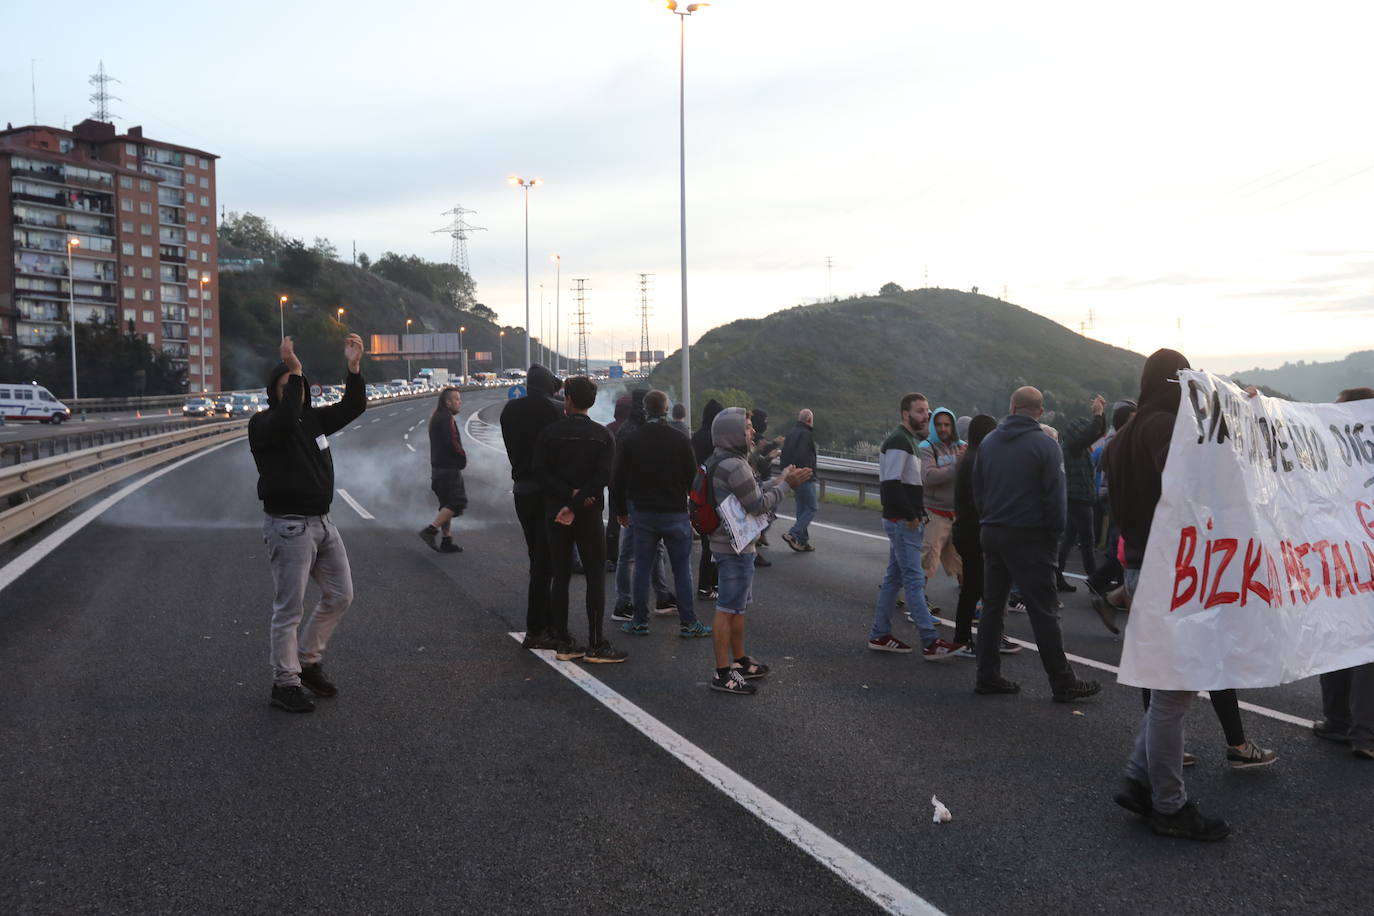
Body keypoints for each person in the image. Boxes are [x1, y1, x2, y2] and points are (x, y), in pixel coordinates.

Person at [1107, 350, 1232, 840]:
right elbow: (1188, 489)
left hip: (1139, 564)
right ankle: (1169, 804)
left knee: (1168, 687)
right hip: (1169, 570)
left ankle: (1140, 780)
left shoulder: (1123, 435)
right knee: (1175, 694)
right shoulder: (1163, 428)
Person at [249, 334, 367, 714]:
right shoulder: (264, 424)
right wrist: (294, 369)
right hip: (289, 527)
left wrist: (353, 368)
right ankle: (284, 683)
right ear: (275, 392)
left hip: (323, 523)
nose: (295, 392)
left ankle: (308, 661)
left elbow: (353, 407)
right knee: (289, 609)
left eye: (297, 386)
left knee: (341, 595)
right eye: (287, 387)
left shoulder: (312, 420)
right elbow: (284, 420)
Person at [971, 386, 1101, 701]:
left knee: (992, 606)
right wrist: (1053, 536)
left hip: (992, 531)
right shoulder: (1046, 445)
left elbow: (978, 488)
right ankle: (1062, 681)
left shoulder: (988, 443)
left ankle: (987, 675)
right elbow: (1057, 499)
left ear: (1012, 407)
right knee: (1043, 611)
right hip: (1030, 536)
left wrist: (988, 518)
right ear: (1040, 412)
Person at [705, 407, 811, 694]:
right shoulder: (736, 465)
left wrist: (777, 481)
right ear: (732, 433)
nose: (752, 432)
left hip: (727, 543)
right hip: (735, 547)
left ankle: (739, 661)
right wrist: (787, 485)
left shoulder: (722, 460)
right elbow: (757, 505)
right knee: (727, 609)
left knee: (736, 607)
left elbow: (749, 492)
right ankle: (723, 672)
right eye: (747, 427)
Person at [534, 376, 626, 663]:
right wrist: (578, 502)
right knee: (595, 576)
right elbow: (603, 477)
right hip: (588, 513)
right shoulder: (603, 436)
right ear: (592, 401)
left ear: (568, 400)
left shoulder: (549, 433)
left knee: (560, 576)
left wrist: (566, 499)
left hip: (556, 514)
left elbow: (540, 473)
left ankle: (563, 642)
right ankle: (596, 644)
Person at [868, 393, 963, 660]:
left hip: (905, 519)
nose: (926, 416)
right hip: (901, 522)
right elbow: (891, 485)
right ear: (905, 414)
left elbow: (909, 484)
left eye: (927, 411)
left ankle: (879, 633)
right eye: (920, 411)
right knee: (912, 579)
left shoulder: (911, 440)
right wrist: (910, 515)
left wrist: (916, 512)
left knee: (893, 580)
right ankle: (930, 642)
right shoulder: (899, 440)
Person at [610, 389, 712, 638]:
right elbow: (693, 480)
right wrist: (694, 509)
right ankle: (689, 623)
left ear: (645, 409)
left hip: (643, 514)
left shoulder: (632, 440)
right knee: (682, 570)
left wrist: (622, 511)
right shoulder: (679, 439)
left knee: (642, 569)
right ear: (666, 409)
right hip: (675, 513)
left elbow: (618, 479)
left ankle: (639, 621)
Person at [1314, 386, 1374, 760]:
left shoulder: (1332, 457)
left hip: (1344, 559)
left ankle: (1346, 723)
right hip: (1344, 559)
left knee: (1347, 637)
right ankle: (1358, 729)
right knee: (1354, 640)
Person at [500, 364, 563, 650]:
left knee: (536, 557)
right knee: (545, 563)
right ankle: (538, 628)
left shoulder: (509, 411)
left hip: (521, 489)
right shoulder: (553, 411)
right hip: (547, 492)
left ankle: (545, 622)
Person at [950, 415, 1019, 657]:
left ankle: (982, 637)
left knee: (979, 588)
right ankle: (964, 638)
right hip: (974, 533)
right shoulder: (978, 459)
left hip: (967, 531)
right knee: (978, 589)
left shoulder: (969, 457)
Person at [1055, 396, 1106, 599]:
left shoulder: (1076, 448)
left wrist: (1101, 415)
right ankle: (1094, 579)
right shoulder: (1074, 448)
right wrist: (1097, 414)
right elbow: (1093, 432)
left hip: (1076, 498)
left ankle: (1057, 576)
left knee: (1069, 539)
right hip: (1079, 499)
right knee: (1087, 539)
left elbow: (1097, 431)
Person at [918, 407, 965, 612]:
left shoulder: (961, 447)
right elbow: (928, 477)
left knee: (962, 560)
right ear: (932, 426)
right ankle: (918, 602)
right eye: (939, 424)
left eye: (947, 424)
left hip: (957, 514)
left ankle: (971, 603)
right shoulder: (926, 447)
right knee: (928, 559)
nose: (944, 428)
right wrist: (957, 466)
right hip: (934, 513)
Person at [419, 387, 467, 554]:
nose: (460, 403)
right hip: (448, 469)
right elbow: (452, 442)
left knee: (446, 505)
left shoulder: (438, 417)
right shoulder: (446, 418)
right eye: (457, 399)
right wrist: (462, 456)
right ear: (448, 402)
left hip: (438, 469)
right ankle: (431, 530)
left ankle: (447, 540)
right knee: (457, 502)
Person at [693, 398, 726, 601]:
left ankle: (708, 585)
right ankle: (708, 585)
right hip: (714, 496)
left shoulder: (696, 436)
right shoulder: (715, 438)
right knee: (714, 544)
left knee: (708, 542)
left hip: (698, 494)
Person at [747, 408, 782, 564]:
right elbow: (753, 460)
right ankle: (752, 547)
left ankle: (756, 541)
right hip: (758, 479)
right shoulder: (736, 460)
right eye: (748, 428)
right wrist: (781, 483)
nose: (752, 432)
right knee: (761, 508)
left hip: (760, 478)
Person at [780, 408, 819, 552]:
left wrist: (788, 471)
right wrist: (803, 470)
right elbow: (802, 454)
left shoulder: (791, 432)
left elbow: (784, 454)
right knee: (811, 507)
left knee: (802, 508)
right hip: (804, 475)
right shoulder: (806, 434)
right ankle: (794, 534)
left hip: (792, 475)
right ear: (809, 420)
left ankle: (803, 541)